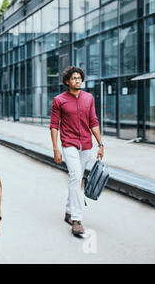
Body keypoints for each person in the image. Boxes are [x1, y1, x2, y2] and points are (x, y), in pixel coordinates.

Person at [49, 66, 104, 236]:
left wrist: (100, 144)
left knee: (77, 177)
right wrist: (56, 148)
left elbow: (93, 121)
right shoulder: (59, 100)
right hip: (69, 144)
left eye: (79, 78)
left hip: (86, 145)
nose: (77, 81)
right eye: (73, 78)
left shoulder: (88, 98)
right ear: (67, 81)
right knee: (75, 176)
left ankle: (68, 211)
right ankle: (77, 219)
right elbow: (54, 126)